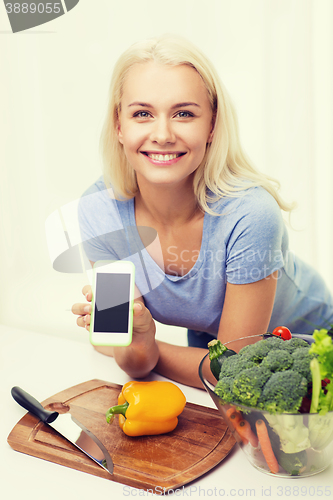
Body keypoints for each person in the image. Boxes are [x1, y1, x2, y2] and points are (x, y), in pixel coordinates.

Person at [71, 34, 333, 389]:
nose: (162, 134)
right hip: (213, 349)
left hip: (312, 350)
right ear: (119, 125)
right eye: (142, 114)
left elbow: (235, 371)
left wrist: (140, 344)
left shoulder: (251, 215)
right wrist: (138, 338)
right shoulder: (100, 213)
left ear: (211, 125)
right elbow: (133, 359)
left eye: (183, 113)